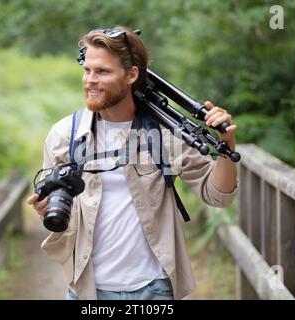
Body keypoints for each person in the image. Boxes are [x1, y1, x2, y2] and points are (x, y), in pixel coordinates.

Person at [26, 26, 238, 300]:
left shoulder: (166, 134)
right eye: (87, 70)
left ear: (132, 75)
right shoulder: (65, 135)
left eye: (102, 71)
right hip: (87, 288)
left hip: (154, 288)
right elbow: (61, 216)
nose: (90, 80)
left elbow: (218, 196)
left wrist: (226, 147)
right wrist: (46, 210)